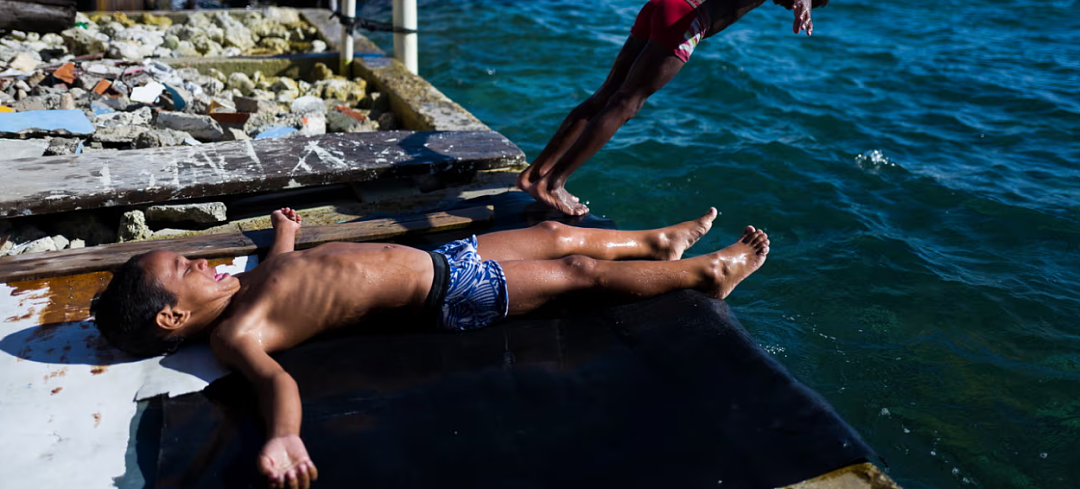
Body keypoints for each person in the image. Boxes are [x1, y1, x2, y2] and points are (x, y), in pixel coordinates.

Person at [93, 206, 771, 489]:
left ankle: (655, 243)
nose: (200, 263)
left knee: (554, 232)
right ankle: (705, 276)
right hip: (450, 295)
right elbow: (277, 384)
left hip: (437, 258)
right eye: (185, 271)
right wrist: (283, 439)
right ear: (174, 317)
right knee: (577, 276)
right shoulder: (239, 335)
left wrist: (286, 237)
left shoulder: (241, 289)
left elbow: (287, 275)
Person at [517, 0, 840, 215]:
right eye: (793, 0)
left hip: (665, 4)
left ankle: (535, 174)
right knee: (627, 104)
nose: (783, 5)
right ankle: (554, 184)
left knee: (606, 96)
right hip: (687, 18)